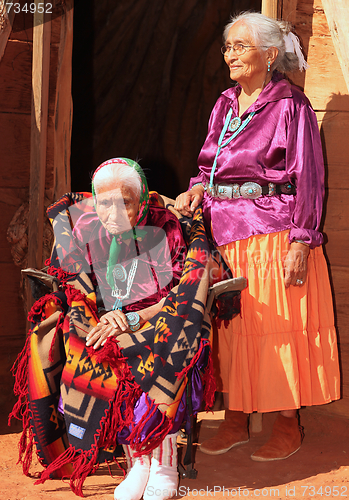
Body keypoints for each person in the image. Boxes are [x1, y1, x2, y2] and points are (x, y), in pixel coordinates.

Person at [174, 11, 340, 462]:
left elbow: (308, 176)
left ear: (269, 54)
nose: (230, 54)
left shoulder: (291, 105)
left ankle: (288, 423)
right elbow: (208, 166)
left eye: (240, 46)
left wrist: (302, 240)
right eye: (228, 46)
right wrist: (194, 189)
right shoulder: (225, 104)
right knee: (234, 331)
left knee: (276, 329)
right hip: (225, 235)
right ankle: (236, 417)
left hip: (273, 232)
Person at [65, 158, 187, 500]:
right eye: (105, 203)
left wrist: (133, 318)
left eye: (125, 202)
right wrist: (102, 315)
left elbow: (179, 291)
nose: (113, 213)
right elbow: (74, 282)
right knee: (94, 345)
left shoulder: (165, 227)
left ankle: (163, 463)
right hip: (109, 320)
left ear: (142, 200)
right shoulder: (87, 229)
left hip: (158, 316)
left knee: (155, 348)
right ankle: (138, 462)